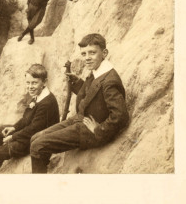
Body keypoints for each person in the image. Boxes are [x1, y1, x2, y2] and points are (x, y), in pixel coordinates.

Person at [28, 33, 129, 173]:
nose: (87, 58)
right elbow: (93, 95)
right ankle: (43, 169)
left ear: (104, 53)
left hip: (89, 131)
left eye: (92, 53)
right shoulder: (97, 70)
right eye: (84, 54)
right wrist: (78, 84)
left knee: (37, 146)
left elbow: (121, 116)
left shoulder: (110, 80)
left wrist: (98, 130)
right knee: (35, 137)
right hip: (79, 120)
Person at [0, 64, 59, 172]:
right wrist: (14, 128)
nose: (30, 86)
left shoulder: (47, 102)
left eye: (34, 83)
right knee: (1, 130)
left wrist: (14, 136)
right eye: (28, 83)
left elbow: (34, 129)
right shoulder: (38, 95)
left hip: (37, 139)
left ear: (44, 82)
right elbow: (26, 119)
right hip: (30, 134)